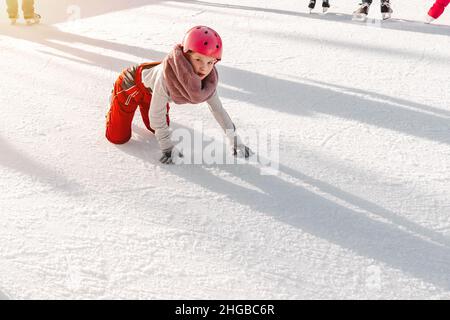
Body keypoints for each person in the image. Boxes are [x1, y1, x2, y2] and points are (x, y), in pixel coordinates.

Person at [105, 26, 252, 164]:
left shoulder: (208, 83)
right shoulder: (166, 77)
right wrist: (168, 148)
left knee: (154, 128)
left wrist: (235, 140)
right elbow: (156, 115)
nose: (204, 67)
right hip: (132, 85)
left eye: (210, 62)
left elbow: (218, 110)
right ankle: (114, 101)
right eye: (198, 59)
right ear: (186, 56)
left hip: (153, 91)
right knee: (118, 137)